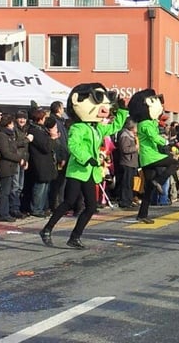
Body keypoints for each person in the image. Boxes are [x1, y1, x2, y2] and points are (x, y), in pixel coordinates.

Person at [40, 83, 128, 249]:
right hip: (77, 170)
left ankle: (75, 237)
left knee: (91, 206)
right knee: (69, 201)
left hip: (89, 172)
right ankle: (47, 229)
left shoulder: (96, 128)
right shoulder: (78, 127)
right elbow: (73, 146)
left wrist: (122, 110)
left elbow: (115, 127)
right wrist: (87, 158)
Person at [127, 89, 179, 224]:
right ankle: (160, 181)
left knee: (149, 188)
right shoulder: (145, 124)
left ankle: (142, 214)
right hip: (150, 156)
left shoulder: (149, 122)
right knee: (174, 163)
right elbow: (153, 136)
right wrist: (166, 142)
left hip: (149, 157)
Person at [0, 113, 32, 220]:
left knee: (9, 190)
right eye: (12, 123)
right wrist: (19, 159)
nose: (13, 125)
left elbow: (14, 146)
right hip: (6, 166)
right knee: (5, 191)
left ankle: (6, 212)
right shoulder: (2, 135)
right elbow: (6, 152)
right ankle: (3, 213)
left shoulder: (9, 135)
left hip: (12, 165)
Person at [26, 109, 59, 217]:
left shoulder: (41, 129)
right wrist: (52, 138)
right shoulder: (35, 131)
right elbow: (45, 147)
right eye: (44, 117)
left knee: (45, 186)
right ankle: (36, 208)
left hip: (45, 161)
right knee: (40, 187)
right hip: (39, 161)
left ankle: (42, 207)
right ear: (40, 119)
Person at [48, 101, 69, 212]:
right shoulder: (55, 122)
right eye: (62, 108)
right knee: (57, 183)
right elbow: (58, 141)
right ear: (58, 109)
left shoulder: (61, 121)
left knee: (62, 183)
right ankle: (57, 205)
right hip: (59, 156)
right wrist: (62, 157)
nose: (63, 110)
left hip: (63, 153)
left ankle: (60, 204)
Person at [117, 118, 139, 209]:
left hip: (132, 162)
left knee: (130, 183)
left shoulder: (132, 135)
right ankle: (125, 201)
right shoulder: (125, 135)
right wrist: (136, 147)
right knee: (126, 183)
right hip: (127, 162)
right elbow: (125, 149)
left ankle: (129, 200)